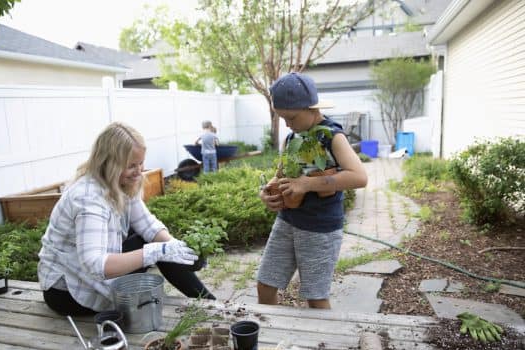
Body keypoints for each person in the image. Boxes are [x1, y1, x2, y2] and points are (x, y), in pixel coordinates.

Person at [38, 122, 215, 316]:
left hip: (90, 273)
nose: (139, 171)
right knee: (151, 249)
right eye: (131, 165)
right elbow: (95, 264)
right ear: (109, 163)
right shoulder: (87, 197)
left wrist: (178, 249)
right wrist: (155, 252)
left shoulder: (121, 182)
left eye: (141, 163)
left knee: (155, 244)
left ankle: (210, 304)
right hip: (69, 291)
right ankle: (210, 305)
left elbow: (147, 225)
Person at [258, 72, 368, 309]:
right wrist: (267, 191)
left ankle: (324, 343)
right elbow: (279, 175)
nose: (287, 124)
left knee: (315, 297)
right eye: (282, 118)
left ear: (312, 108)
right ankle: (270, 339)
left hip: (320, 228)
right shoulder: (292, 138)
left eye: (292, 118)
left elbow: (359, 177)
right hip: (287, 221)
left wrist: (306, 184)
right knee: (265, 285)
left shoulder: (333, 137)